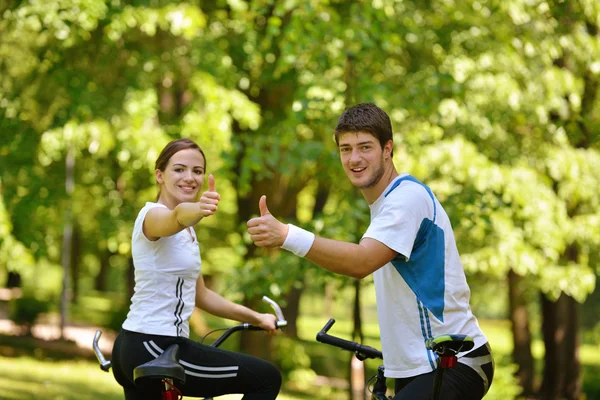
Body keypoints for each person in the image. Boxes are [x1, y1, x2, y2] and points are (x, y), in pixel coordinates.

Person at [247, 103, 494, 399]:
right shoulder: (386, 205)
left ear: (387, 149)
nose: (354, 158)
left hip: (453, 359)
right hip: (420, 366)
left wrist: (287, 235)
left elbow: (361, 262)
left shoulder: (406, 199)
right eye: (345, 149)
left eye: (365, 147)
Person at [111, 138, 282, 400]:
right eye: (179, 169)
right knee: (265, 378)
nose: (189, 177)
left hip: (138, 345)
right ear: (160, 175)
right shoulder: (152, 216)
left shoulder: (188, 232)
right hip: (155, 345)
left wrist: (257, 318)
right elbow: (176, 216)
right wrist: (200, 209)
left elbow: (201, 296)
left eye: (197, 171)